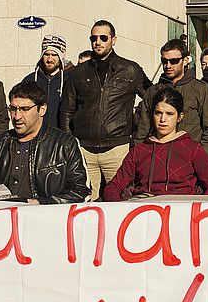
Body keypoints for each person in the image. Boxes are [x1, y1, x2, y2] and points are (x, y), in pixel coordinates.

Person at [59, 20, 153, 199]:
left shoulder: (130, 70)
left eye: (103, 37)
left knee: (120, 200)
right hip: (84, 149)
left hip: (117, 148)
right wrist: (70, 143)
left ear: (113, 40)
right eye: (93, 38)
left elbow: (152, 98)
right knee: (85, 202)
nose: (98, 42)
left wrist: (139, 133)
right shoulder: (78, 73)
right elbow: (67, 110)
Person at [0, 81, 90, 204]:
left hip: (46, 220)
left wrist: (39, 203)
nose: (17, 116)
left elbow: (81, 192)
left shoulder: (65, 145)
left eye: (24, 109)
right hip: (4, 219)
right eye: (12, 109)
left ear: (42, 109)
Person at [103, 86, 208, 200]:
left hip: (182, 211)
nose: (163, 120)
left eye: (169, 114)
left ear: (180, 117)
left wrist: (201, 209)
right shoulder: (139, 150)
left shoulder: (192, 149)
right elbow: (114, 186)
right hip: (144, 212)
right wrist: (118, 210)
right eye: (158, 113)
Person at [135, 39, 208, 159]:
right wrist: (139, 158)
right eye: (164, 61)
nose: (168, 65)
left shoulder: (200, 89)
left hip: (189, 157)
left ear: (185, 60)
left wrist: (202, 158)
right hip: (158, 157)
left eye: (174, 61)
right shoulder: (153, 92)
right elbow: (143, 129)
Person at [21, 34, 71, 129]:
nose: (49, 59)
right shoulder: (30, 80)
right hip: (36, 135)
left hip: (61, 136)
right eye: (46, 54)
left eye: (54, 55)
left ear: (61, 57)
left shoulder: (70, 79)